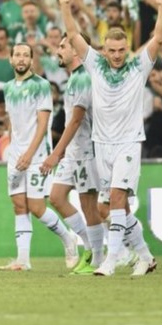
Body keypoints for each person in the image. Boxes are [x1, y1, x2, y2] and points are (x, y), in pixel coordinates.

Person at [57, 0, 162, 276]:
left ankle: (111, 260)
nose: (116, 55)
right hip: (101, 145)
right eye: (111, 50)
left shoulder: (138, 67)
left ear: (127, 49)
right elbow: (73, 34)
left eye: (121, 50)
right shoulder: (95, 65)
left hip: (129, 143)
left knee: (116, 199)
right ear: (103, 50)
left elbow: (158, 38)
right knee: (113, 209)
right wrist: (65, 5)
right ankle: (145, 256)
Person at [0, 42, 78, 271]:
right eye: (17, 55)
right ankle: (23, 260)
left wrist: (29, 153)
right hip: (16, 155)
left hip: (36, 155)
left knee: (36, 206)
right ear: (11, 60)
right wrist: (13, 149)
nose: (21, 58)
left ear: (32, 60)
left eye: (26, 55)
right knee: (18, 205)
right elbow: (13, 122)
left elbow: (43, 124)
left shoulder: (41, 85)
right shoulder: (8, 88)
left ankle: (68, 239)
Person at [40, 33, 105, 275]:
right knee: (56, 196)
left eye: (62, 46)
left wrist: (56, 153)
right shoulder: (74, 79)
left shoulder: (84, 78)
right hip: (73, 152)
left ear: (77, 50)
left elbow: (76, 120)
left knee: (90, 207)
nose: (58, 51)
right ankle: (90, 246)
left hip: (87, 151)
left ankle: (97, 259)